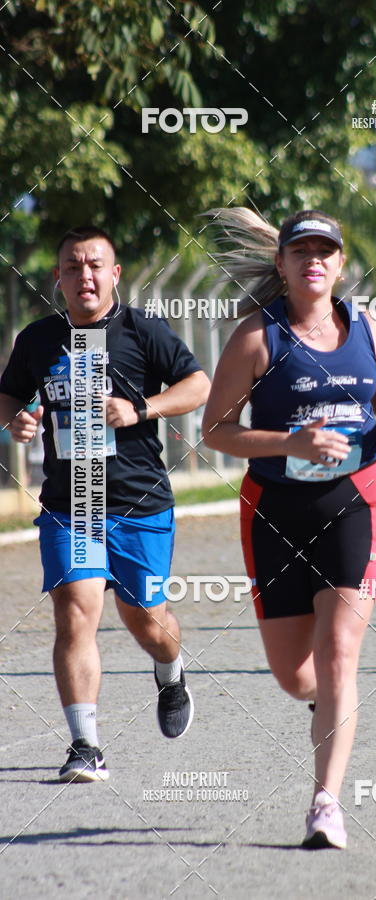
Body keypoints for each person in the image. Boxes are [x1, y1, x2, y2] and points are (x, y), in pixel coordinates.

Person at [202, 208, 376, 849]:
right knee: (297, 677)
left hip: (359, 499)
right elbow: (215, 430)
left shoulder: (369, 330)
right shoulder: (255, 339)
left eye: (325, 250)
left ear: (341, 264)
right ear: (283, 265)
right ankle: (329, 705)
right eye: (301, 251)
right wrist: (291, 441)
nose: (313, 260)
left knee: (339, 650)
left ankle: (326, 803)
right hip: (275, 510)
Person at [0, 225, 210, 782]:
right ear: (58, 278)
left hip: (139, 501)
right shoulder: (39, 339)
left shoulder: (142, 331)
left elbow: (198, 384)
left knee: (146, 621)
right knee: (75, 614)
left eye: (96, 265)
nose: (85, 276)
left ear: (114, 274)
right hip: (71, 505)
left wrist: (140, 409)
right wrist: (15, 419)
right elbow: (8, 396)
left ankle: (170, 670)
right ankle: (85, 744)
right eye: (73, 266)